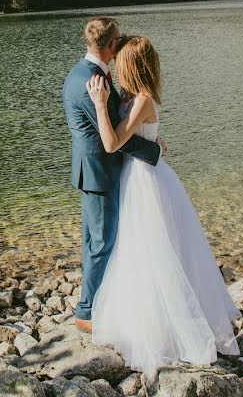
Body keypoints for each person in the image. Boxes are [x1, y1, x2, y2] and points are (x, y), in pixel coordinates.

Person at [87, 35, 240, 375]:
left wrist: (99, 103)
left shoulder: (141, 100)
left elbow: (112, 144)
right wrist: (154, 141)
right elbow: (146, 137)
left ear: (132, 67)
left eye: (120, 63)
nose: (115, 68)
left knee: (157, 252)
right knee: (142, 252)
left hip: (146, 182)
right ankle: (148, 319)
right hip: (142, 175)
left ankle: (169, 332)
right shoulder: (134, 97)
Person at [61, 17, 163, 333]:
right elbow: (115, 141)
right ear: (110, 45)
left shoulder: (87, 73)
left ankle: (99, 301)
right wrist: (155, 150)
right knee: (100, 242)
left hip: (96, 171)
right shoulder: (91, 83)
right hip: (100, 172)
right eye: (118, 42)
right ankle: (88, 311)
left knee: (98, 239)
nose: (120, 46)